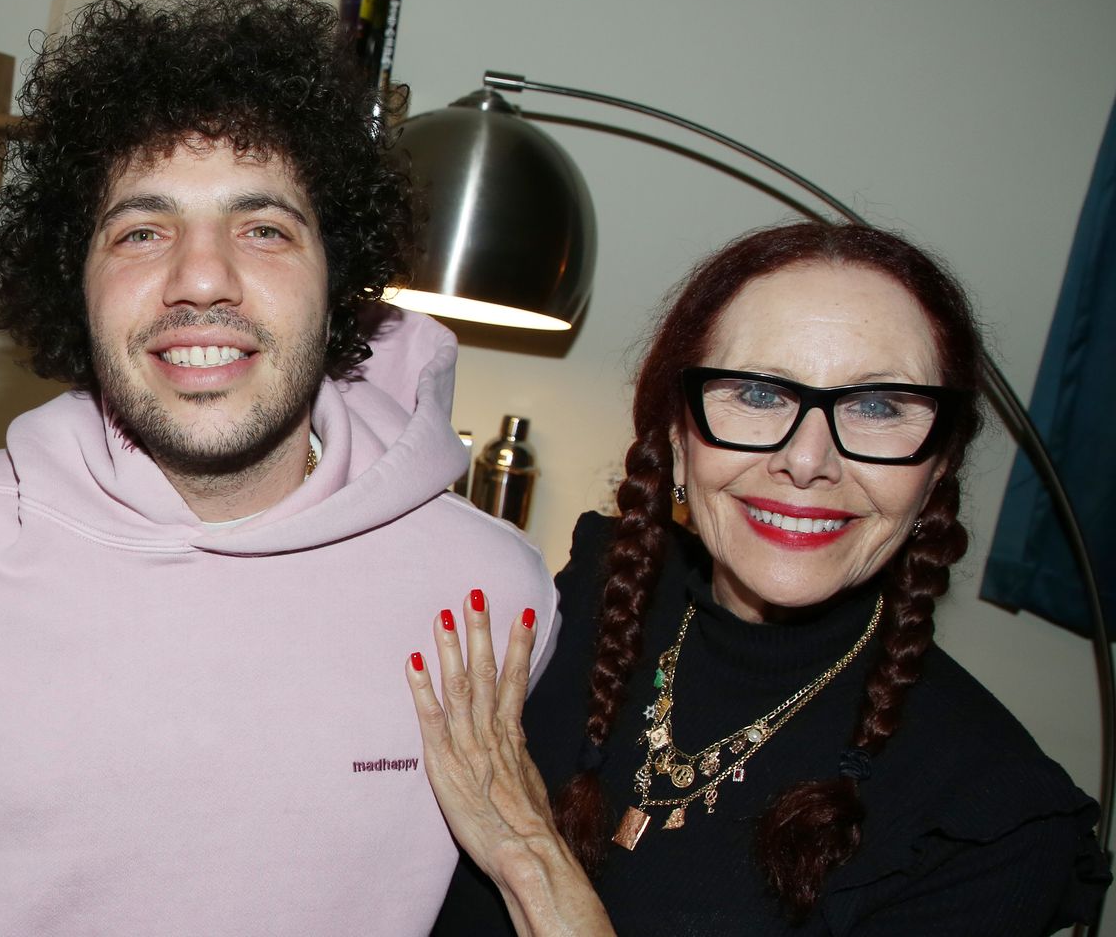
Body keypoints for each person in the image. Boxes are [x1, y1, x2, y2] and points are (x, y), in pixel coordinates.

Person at [0, 0, 558, 935]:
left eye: (263, 228)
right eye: (142, 230)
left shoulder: (489, 598)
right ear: (75, 284)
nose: (202, 276)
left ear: (340, 277)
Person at [410, 222, 1111, 935]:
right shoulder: (594, 590)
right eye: (756, 394)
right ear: (677, 440)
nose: (807, 460)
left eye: (877, 407)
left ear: (938, 470)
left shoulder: (995, 828)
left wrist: (530, 859)